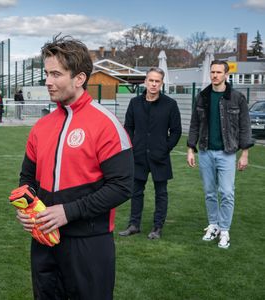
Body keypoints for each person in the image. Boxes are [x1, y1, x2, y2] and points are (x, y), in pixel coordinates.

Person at [13, 35, 134, 299]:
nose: (47, 81)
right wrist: (27, 206)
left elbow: (122, 186)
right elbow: (27, 178)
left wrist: (68, 212)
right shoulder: (41, 126)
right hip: (43, 239)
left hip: (89, 243)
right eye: (46, 73)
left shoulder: (106, 124)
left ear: (79, 78)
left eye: (56, 74)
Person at [187, 60, 253, 249]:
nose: (215, 75)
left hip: (227, 153)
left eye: (218, 72)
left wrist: (245, 153)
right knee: (209, 192)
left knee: (226, 192)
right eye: (212, 72)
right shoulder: (202, 97)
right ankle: (213, 225)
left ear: (226, 74)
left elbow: (244, 127)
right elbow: (194, 125)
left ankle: (224, 230)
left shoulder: (237, 98)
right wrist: (191, 149)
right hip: (205, 152)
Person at [119, 67, 182, 239]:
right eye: (151, 80)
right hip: (138, 155)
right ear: (145, 81)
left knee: (161, 193)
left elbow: (176, 131)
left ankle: (157, 228)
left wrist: (165, 148)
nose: (153, 84)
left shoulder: (170, 104)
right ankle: (134, 225)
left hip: (159, 156)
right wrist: (132, 146)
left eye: (157, 81)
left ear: (161, 83)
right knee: (136, 191)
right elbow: (128, 127)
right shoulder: (135, 103)